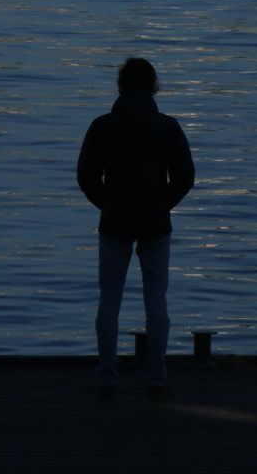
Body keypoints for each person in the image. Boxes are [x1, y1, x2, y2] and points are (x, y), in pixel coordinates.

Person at [77, 57, 194, 397]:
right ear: (153, 86)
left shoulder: (102, 126)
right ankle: (156, 375)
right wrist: (162, 204)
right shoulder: (167, 127)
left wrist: (107, 203)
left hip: (114, 221)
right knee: (156, 300)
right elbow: (185, 177)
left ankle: (107, 374)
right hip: (156, 223)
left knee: (109, 300)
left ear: (120, 86)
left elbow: (86, 176)